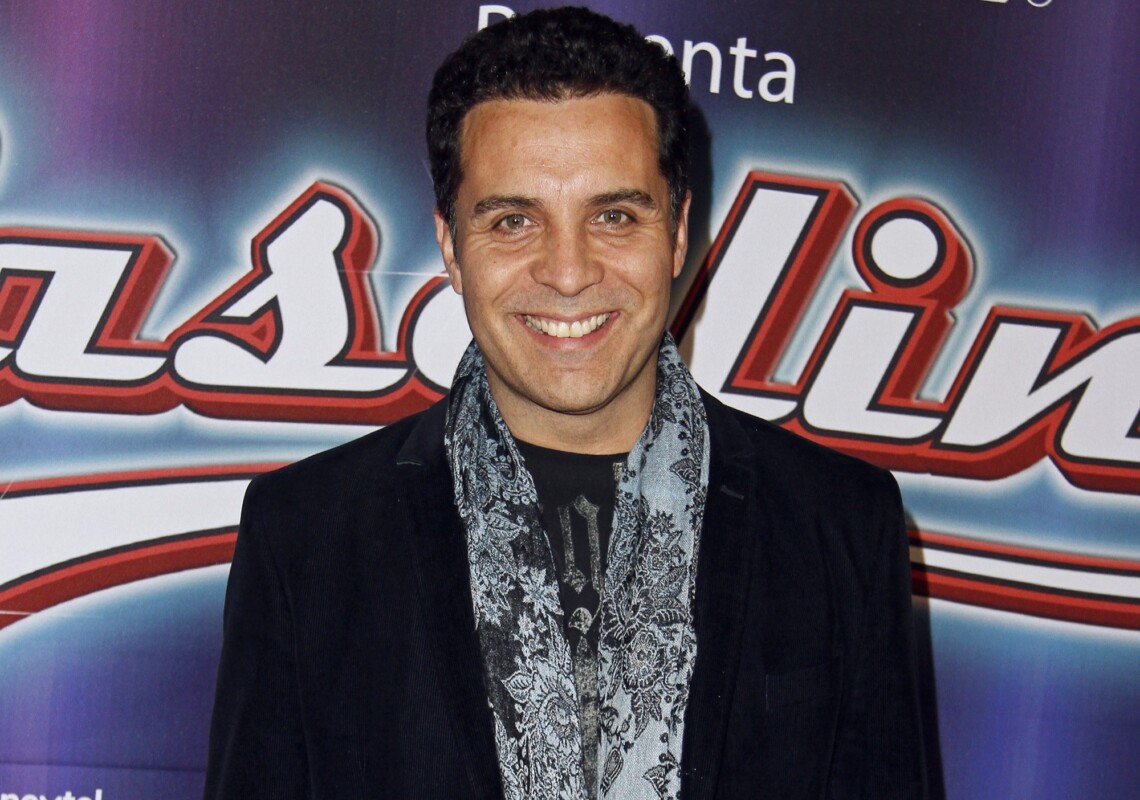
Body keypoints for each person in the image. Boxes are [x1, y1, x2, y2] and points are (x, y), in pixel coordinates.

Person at [204, 7, 926, 799]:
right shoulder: (306, 536)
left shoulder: (840, 523)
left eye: (614, 216)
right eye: (514, 221)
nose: (570, 272)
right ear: (451, 245)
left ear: (677, 231)